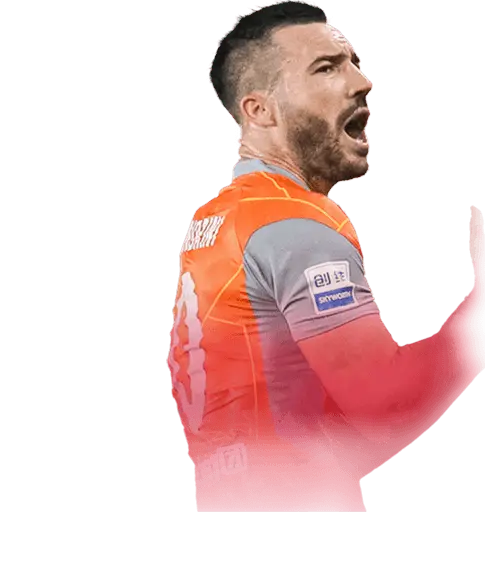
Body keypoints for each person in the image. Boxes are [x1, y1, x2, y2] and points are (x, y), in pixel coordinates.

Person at [168, 0, 485, 512]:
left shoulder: (215, 223)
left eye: (354, 63)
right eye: (326, 68)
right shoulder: (290, 222)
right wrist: (480, 311)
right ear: (260, 110)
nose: (363, 83)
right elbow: (386, 406)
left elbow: (309, 443)